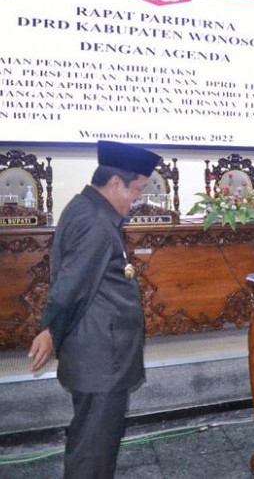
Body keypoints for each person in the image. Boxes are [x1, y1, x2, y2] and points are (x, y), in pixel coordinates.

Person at [29, 140, 161, 479]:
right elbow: (71, 288)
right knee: (94, 453)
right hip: (102, 357)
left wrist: (52, 330)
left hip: (96, 354)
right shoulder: (97, 224)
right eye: (137, 190)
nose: (138, 199)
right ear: (115, 183)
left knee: (91, 444)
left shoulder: (84, 207)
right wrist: (50, 330)